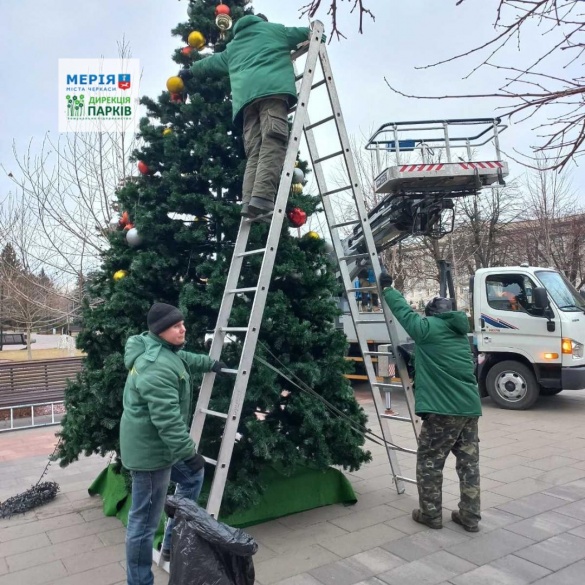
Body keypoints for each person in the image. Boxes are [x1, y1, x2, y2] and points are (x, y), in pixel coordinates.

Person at [120, 302, 227, 585]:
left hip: (158, 447)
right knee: (143, 523)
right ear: (160, 331)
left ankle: (171, 540)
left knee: (193, 475)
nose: (183, 328)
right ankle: (139, 581)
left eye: (182, 323)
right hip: (151, 455)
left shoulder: (161, 350)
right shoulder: (155, 366)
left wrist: (210, 364)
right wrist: (188, 453)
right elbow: (165, 419)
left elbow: (184, 360)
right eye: (176, 326)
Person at [180, 14, 313, 218]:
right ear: (263, 22)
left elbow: (211, 63)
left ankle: (248, 200)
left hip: (245, 104)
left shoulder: (234, 47)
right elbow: (309, 34)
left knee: (255, 152)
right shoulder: (275, 31)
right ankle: (263, 198)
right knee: (273, 141)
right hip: (272, 93)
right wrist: (319, 37)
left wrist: (190, 71)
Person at [378, 272, 482, 533]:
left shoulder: (428, 328)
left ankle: (431, 514)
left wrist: (388, 289)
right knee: (468, 464)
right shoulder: (459, 333)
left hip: (442, 409)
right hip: (468, 409)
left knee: (429, 462)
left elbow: (405, 314)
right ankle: (470, 517)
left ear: (431, 314)